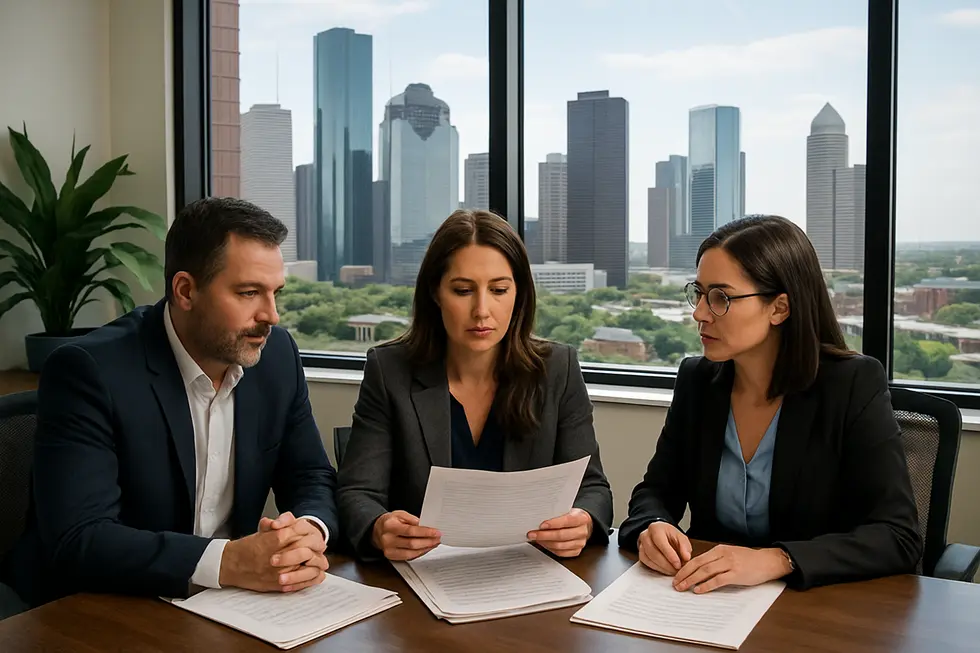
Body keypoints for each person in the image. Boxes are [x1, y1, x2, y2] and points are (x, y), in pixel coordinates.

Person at [2, 197, 339, 608]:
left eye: (276, 293)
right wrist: (228, 561)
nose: (271, 315)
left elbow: (309, 474)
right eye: (249, 293)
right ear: (185, 290)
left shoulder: (277, 356)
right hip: (93, 605)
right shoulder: (90, 371)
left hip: (226, 604)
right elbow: (81, 537)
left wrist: (309, 528)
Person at [618, 215, 922, 592]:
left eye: (720, 298)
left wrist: (778, 559)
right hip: (705, 600)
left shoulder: (851, 385)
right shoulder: (698, 381)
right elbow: (656, 491)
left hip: (814, 607)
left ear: (779, 308)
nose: (698, 313)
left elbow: (897, 536)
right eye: (699, 293)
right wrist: (653, 525)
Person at [337, 209, 613, 562]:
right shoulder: (390, 370)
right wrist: (379, 528)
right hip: (419, 578)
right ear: (436, 292)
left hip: (526, 573)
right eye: (463, 290)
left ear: (519, 294)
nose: (482, 310)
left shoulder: (557, 368)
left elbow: (593, 488)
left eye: (499, 290)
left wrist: (583, 521)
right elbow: (356, 493)